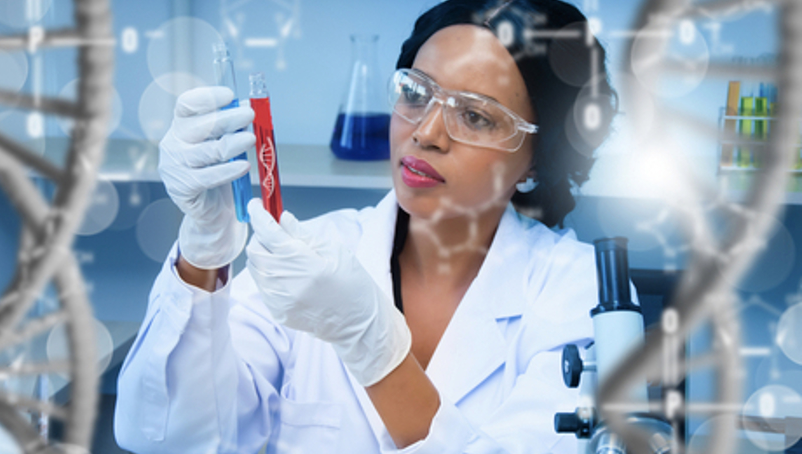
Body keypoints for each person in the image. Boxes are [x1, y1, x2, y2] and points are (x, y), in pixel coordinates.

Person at [115, 0, 619, 452]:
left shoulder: (582, 294)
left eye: (476, 116)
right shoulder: (314, 253)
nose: (426, 132)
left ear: (539, 158)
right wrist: (201, 253)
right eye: (417, 93)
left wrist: (372, 348)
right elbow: (166, 436)